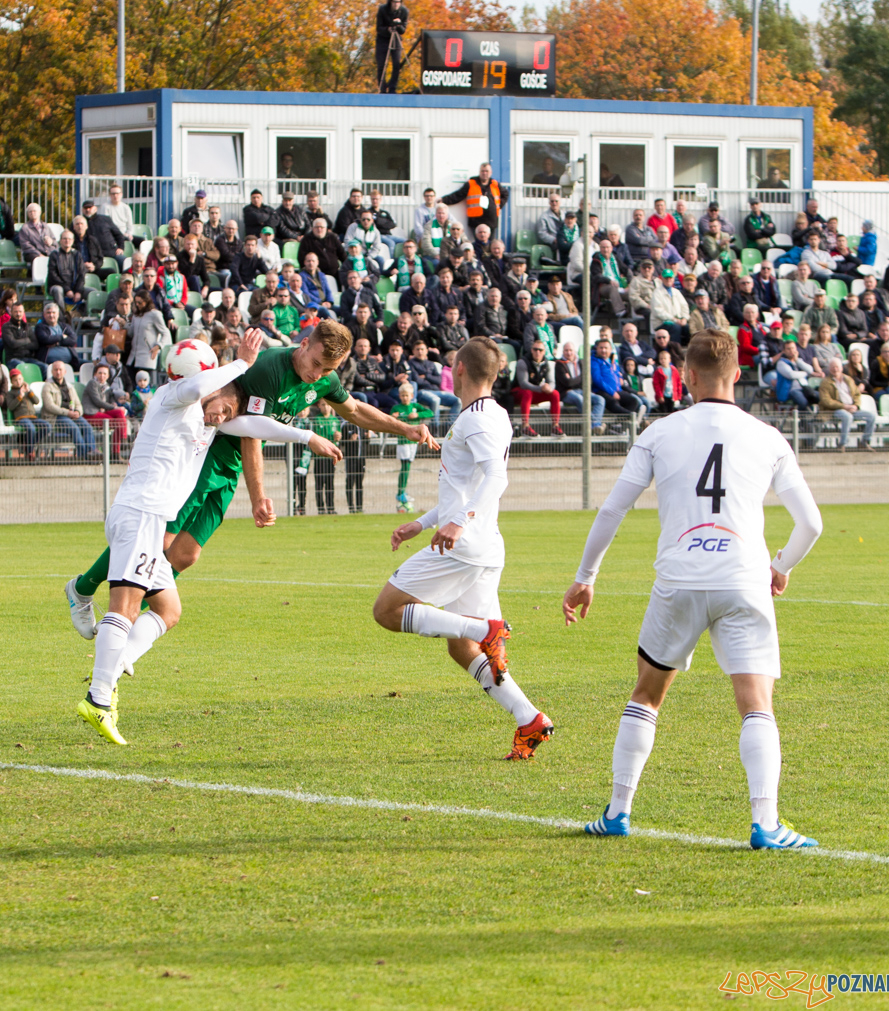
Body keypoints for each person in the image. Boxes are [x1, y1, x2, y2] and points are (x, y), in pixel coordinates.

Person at [566, 330, 824, 849]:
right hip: (743, 579)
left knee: (647, 694)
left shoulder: (660, 432)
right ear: (737, 375)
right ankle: (766, 824)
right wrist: (780, 565)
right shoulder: (768, 436)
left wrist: (586, 577)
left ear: (686, 376)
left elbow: (613, 509)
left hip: (679, 581)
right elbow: (811, 524)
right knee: (755, 704)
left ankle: (618, 812)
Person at [64, 323, 437, 633]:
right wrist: (259, 496)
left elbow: (354, 410)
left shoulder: (323, 378)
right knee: (158, 539)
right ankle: (89, 593)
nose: (319, 375)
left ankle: (137, 623)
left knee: (186, 555)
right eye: (316, 364)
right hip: (210, 454)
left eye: (327, 370)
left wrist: (404, 428)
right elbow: (251, 432)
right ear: (304, 344)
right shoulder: (271, 369)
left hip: (229, 469)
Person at [76, 332, 338, 744]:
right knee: (124, 606)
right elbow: (201, 387)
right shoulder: (171, 395)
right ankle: (99, 699)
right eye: (215, 382)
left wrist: (307, 437)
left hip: (147, 515)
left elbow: (254, 423)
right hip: (142, 513)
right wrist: (242, 362)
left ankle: (114, 664)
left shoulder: (202, 416)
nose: (220, 409)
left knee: (167, 609)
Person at [372, 338, 553, 761]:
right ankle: (529, 718)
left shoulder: (478, 420)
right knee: (459, 646)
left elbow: (496, 478)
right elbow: (467, 485)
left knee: (386, 611)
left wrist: (457, 522)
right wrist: (423, 522)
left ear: (460, 370)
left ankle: (486, 629)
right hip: (481, 544)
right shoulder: (487, 414)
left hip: (464, 544)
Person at [389, 381, 433, 513]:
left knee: (408, 464)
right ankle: (401, 491)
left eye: (406, 395)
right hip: (403, 441)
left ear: (412, 395)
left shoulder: (415, 407)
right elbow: (390, 420)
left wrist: (418, 415)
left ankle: (403, 491)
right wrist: (393, 417)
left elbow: (430, 412)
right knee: (405, 465)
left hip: (413, 443)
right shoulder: (396, 408)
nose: (404, 398)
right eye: (402, 395)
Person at [817, 357, 875, 450]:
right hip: (835, 410)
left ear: (841, 368)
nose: (835, 369)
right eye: (832, 367)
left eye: (837, 367)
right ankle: (842, 444)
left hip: (852, 408)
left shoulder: (848, 379)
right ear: (829, 368)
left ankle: (865, 441)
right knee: (847, 417)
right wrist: (844, 406)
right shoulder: (825, 382)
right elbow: (826, 401)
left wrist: (856, 406)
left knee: (871, 416)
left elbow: (856, 394)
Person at [440, 162, 506, 238]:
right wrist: (444, 200)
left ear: (491, 173)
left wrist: (497, 206)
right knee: (477, 244)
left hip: (491, 220)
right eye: (482, 171)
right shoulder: (471, 183)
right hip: (476, 220)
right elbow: (459, 195)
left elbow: (505, 194)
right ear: (479, 172)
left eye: (486, 171)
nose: (484, 173)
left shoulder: (495, 184)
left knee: (490, 244)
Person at [375, 0, 409, 92]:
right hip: (383, 39)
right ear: (390, 2)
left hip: (396, 38)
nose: (396, 4)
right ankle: (382, 87)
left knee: (396, 64)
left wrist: (398, 25)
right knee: (381, 64)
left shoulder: (404, 11)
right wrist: (388, 29)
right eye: (394, 2)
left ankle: (392, 87)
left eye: (398, 2)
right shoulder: (382, 10)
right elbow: (378, 28)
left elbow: (403, 30)